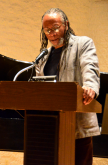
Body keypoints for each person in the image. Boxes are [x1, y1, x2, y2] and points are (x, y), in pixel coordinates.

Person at [36, 8, 100, 165]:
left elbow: (90, 68)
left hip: (77, 126)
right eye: (47, 30)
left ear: (66, 24)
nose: (52, 33)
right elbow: (38, 91)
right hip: (51, 128)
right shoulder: (43, 57)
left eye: (56, 27)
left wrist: (90, 87)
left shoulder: (82, 44)